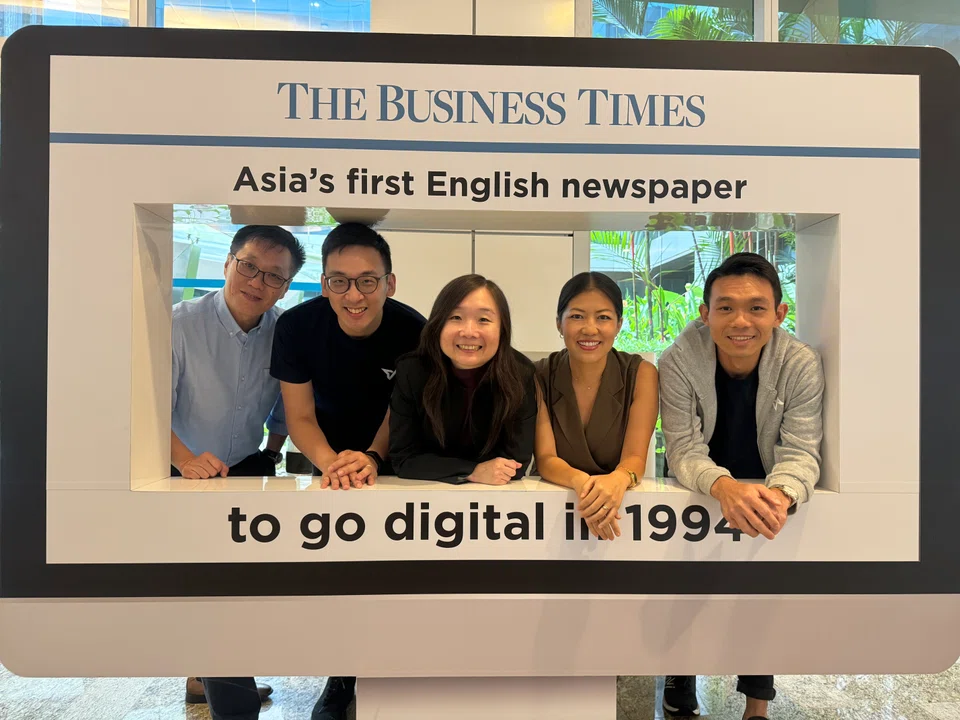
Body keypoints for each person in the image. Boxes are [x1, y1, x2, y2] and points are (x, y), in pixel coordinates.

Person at [658, 252, 824, 720]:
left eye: (756, 308)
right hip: (698, 485)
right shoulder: (678, 360)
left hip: (768, 482)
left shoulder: (800, 363)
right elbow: (682, 446)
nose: (741, 321)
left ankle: (757, 702)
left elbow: (802, 449)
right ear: (705, 312)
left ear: (779, 313)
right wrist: (724, 487)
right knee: (687, 585)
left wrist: (781, 496)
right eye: (726, 307)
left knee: (760, 587)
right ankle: (680, 676)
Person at [270, 222, 425, 720]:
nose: (353, 295)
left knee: (394, 574)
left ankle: (396, 670)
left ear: (389, 283)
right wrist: (335, 465)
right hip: (328, 460)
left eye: (367, 281)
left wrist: (373, 458)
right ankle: (341, 676)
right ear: (323, 284)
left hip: (395, 458)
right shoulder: (296, 328)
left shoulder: (415, 331)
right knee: (338, 574)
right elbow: (298, 415)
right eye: (339, 281)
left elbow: (403, 410)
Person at [171, 224, 306, 718]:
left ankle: (206, 675)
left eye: (274, 276)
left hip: (247, 467)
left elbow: (285, 404)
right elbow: (145, 407)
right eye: (248, 265)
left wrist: (272, 449)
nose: (257, 281)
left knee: (242, 583)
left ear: (285, 287)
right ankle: (234, 701)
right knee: (212, 588)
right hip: (182, 468)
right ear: (228, 263)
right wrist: (184, 459)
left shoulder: (283, 331)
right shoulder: (179, 324)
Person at [533, 272, 658, 539]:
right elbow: (545, 459)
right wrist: (584, 486)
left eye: (603, 317)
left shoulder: (641, 374)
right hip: (548, 512)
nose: (590, 329)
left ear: (619, 324)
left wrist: (617, 481)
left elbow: (635, 458)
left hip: (620, 508)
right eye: (577, 316)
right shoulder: (539, 375)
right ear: (559, 323)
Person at [389, 274, 538, 484]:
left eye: (483, 320)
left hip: (495, 498)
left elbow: (516, 463)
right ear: (438, 324)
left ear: (502, 329)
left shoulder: (521, 374)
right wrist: (472, 471)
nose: (469, 332)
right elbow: (403, 459)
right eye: (455, 317)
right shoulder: (412, 371)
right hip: (424, 493)